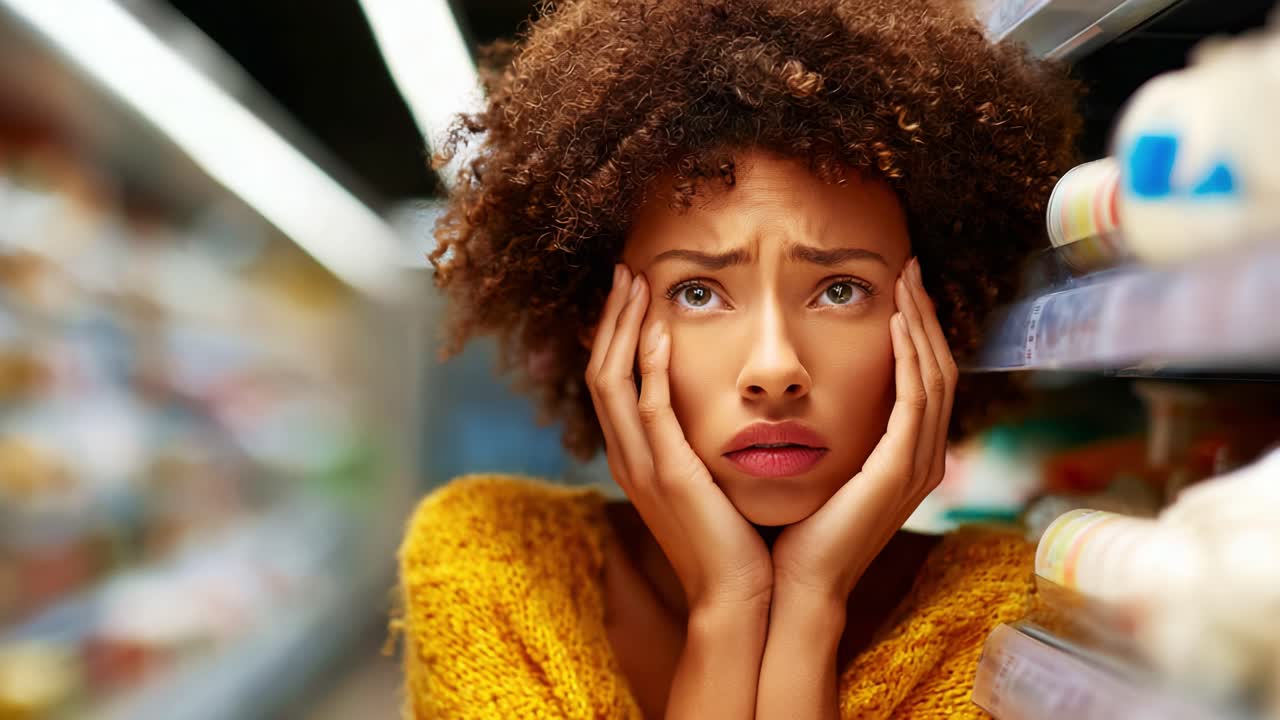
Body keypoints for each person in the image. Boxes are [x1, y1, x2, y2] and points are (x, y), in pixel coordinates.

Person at [396, 0, 1080, 717]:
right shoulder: (494, 564)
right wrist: (730, 606)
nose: (775, 368)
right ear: (597, 324)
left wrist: (810, 604)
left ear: (934, 315)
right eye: (698, 292)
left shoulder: (1005, 618)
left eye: (839, 290)